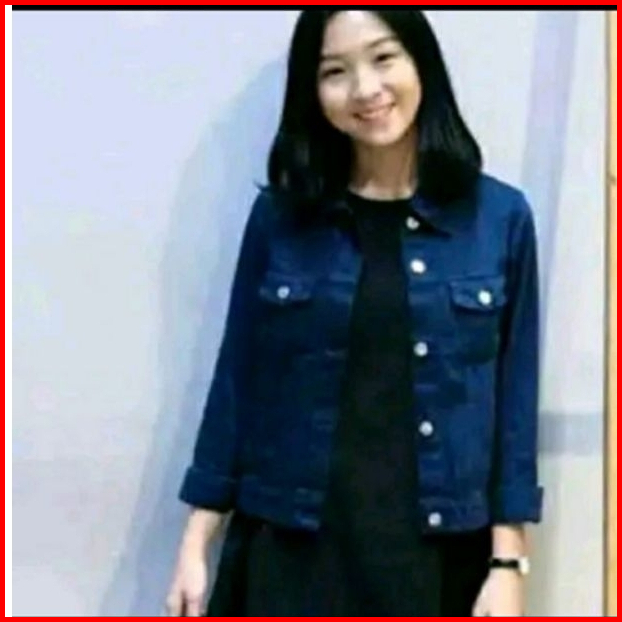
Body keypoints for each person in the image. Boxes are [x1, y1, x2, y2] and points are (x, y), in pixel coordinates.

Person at [165, 9, 543, 617]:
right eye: (335, 71)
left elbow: (514, 409)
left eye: (384, 57)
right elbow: (238, 377)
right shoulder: (282, 219)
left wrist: (507, 563)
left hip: (437, 559)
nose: (366, 88)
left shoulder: (500, 219)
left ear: (421, 63)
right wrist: (195, 542)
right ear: (312, 92)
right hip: (290, 550)